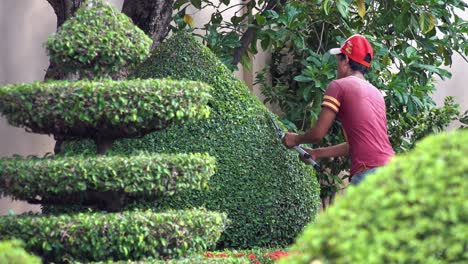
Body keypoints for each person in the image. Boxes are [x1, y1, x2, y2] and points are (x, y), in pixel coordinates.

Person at [282, 34, 394, 185]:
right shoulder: (376, 93)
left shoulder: (339, 86)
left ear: (346, 60)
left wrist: (295, 139)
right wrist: (316, 153)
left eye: (338, 60)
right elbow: (352, 145)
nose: (336, 65)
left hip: (370, 173)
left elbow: (317, 134)